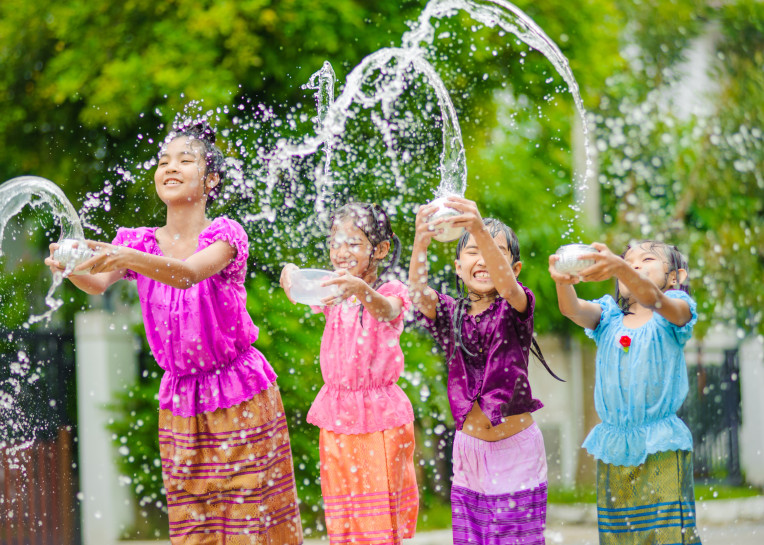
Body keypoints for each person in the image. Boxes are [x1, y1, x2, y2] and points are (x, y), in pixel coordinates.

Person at [46, 121, 303, 545]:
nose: (170, 167)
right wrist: (70, 268)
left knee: (249, 518)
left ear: (211, 179)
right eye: (163, 160)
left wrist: (124, 255)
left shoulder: (225, 235)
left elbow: (186, 275)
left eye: (185, 160)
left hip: (238, 388)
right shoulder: (140, 243)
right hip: (182, 397)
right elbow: (97, 284)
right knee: (193, 522)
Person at [409, 196, 551, 545]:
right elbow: (419, 294)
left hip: (516, 450)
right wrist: (421, 240)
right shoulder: (449, 314)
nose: (484, 258)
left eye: (495, 251)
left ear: (514, 268)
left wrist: (478, 228)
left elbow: (507, 287)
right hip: (469, 451)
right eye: (473, 251)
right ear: (458, 267)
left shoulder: (516, 307)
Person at [279, 202, 418, 545]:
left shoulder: (389, 291)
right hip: (338, 412)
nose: (341, 252)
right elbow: (296, 288)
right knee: (344, 510)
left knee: (377, 513)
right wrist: (289, 271)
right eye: (335, 242)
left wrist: (361, 290)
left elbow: (386, 311)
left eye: (353, 243)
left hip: (380, 415)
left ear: (380, 249)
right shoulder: (333, 290)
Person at [549, 240, 701, 545]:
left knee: (668, 535)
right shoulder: (607, 317)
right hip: (615, 444)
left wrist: (620, 267)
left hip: (660, 444)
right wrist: (562, 282)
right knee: (619, 534)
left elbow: (654, 298)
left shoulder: (673, 311)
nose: (634, 265)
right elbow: (571, 309)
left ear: (676, 277)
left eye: (647, 259)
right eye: (628, 261)